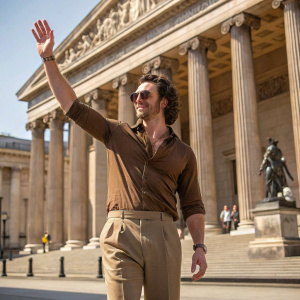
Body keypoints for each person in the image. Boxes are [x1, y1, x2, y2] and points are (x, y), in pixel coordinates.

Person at [31, 19, 207, 300]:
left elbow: (192, 204)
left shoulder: (183, 152)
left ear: (163, 102)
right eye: (135, 95)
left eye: (145, 94)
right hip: (120, 232)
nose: (137, 99)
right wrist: (49, 58)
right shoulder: (116, 133)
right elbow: (71, 106)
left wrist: (199, 247)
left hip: (164, 231)